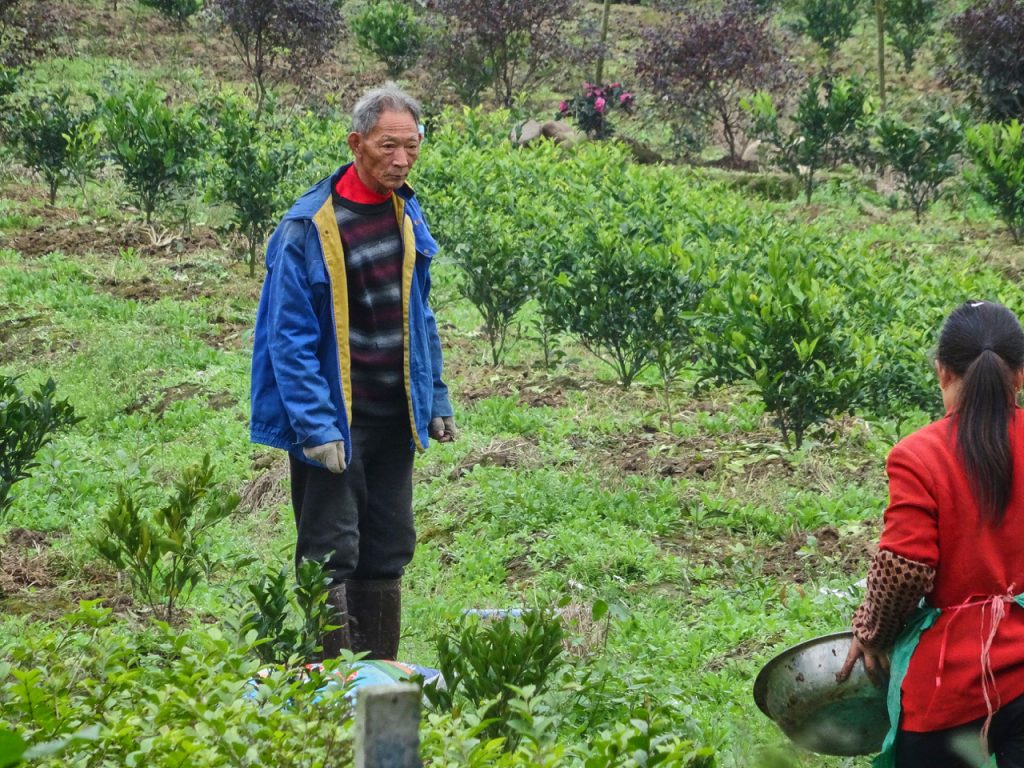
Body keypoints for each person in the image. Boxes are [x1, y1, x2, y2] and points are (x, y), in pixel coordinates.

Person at [249, 83, 456, 662]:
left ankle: (378, 682)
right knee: (330, 550)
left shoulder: (406, 211)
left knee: (389, 545)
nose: (401, 160)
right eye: (389, 146)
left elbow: (421, 313)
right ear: (356, 143)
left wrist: (435, 396)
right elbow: (287, 339)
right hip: (337, 419)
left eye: (412, 147)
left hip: (395, 417)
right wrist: (316, 428)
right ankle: (330, 683)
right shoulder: (307, 229)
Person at [838, 300, 1024, 767]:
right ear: (1019, 376)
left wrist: (871, 632)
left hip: (950, 689)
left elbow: (904, 569)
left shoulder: (919, 456)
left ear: (942, 372)